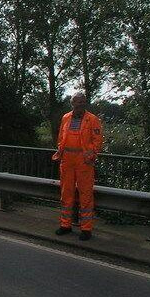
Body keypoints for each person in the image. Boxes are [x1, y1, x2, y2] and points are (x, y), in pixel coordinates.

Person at [53, 91, 104, 240]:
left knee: (85, 194)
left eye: (83, 102)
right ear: (72, 103)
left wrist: (91, 155)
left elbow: (98, 140)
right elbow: (61, 137)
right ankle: (65, 225)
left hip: (83, 160)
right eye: (78, 102)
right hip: (67, 159)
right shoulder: (66, 118)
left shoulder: (92, 119)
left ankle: (86, 229)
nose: (80, 104)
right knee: (66, 193)